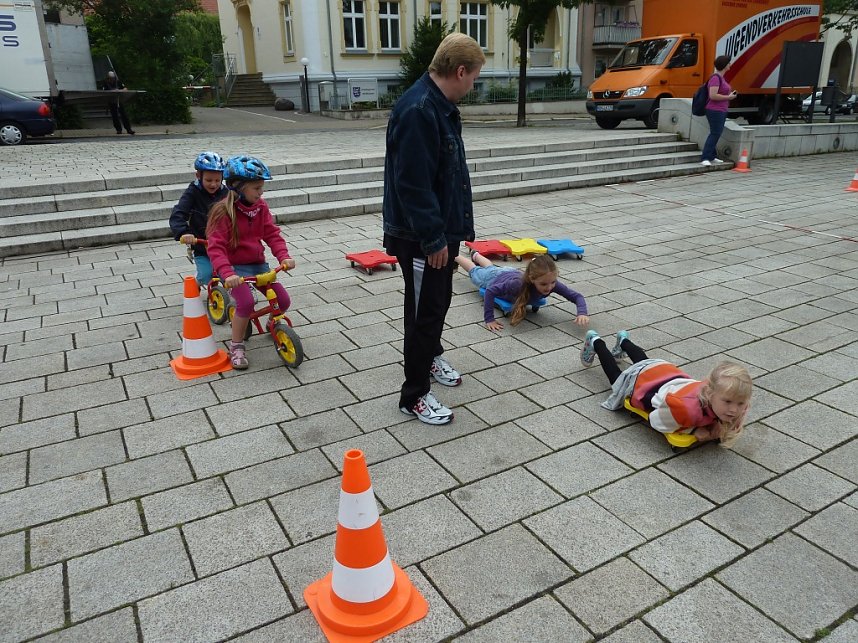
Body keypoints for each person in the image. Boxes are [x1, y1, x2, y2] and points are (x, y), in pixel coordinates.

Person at [382, 33, 486, 426]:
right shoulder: (419, 110)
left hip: (440, 231)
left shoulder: (439, 106)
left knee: (437, 301)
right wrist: (433, 238)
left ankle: (430, 357)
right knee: (423, 312)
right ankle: (414, 396)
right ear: (459, 71)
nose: (473, 86)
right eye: (473, 78)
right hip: (422, 237)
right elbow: (412, 184)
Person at [580, 330, 752, 447]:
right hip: (644, 383)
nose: (734, 410)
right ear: (710, 394)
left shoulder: (733, 401)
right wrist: (693, 430)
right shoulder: (687, 409)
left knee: (645, 361)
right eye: (727, 402)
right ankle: (596, 342)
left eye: (740, 403)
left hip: (666, 372)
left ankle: (624, 340)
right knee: (616, 377)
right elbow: (655, 420)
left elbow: (734, 414)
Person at [205, 155, 295, 370]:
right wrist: (227, 274)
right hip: (234, 269)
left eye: (261, 187)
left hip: (257, 264)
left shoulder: (260, 206)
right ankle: (236, 345)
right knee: (245, 303)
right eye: (256, 188)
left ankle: (272, 323)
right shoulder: (223, 212)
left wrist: (283, 256)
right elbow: (216, 248)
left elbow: (271, 234)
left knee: (283, 300)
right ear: (238, 187)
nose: (261, 192)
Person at [454, 252, 589, 331]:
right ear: (532, 279)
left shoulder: (551, 283)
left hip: (508, 272)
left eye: (553, 282)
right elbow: (490, 291)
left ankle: (476, 255)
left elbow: (577, 296)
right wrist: (489, 319)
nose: (549, 287)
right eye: (543, 284)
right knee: (475, 272)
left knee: (491, 268)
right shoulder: (517, 285)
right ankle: (455, 255)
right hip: (494, 279)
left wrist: (582, 313)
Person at [169, 152, 228, 287]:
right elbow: (178, 213)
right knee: (206, 274)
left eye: (217, 180)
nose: (213, 184)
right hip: (202, 245)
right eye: (209, 180)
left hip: (223, 244)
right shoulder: (193, 192)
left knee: (230, 273)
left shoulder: (226, 193)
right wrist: (184, 232)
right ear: (198, 176)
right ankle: (196, 282)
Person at [701, 55, 737, 166]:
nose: (730, 64)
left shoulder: (721, 78)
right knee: (715, 133)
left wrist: (729, 95)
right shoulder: (715, 78)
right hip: (714, 110)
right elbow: (713, 95)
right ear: (725, 65)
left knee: (716, 133)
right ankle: (705, 157)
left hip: (721, 109)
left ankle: (712, 156)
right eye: (729, 63)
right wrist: (728, 97)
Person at [103, 71, 135, 135]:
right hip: (111, 100)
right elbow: (104, 92)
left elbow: (125, 89)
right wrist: (113, 91)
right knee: (115, 116)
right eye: (110, 78)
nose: (112, 80)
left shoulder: (118, 82)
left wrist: (120, 90)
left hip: (119, 100)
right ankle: (118, 129)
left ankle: (128, 129)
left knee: (124, 114)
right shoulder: (105, 83)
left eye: (113, 78)